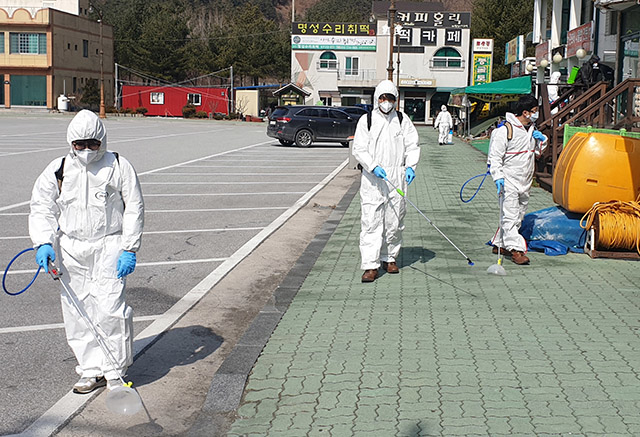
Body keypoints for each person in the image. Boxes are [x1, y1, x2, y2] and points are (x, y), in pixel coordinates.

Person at [29, 110, 144, 394]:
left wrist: (129, 247)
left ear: (102, 140)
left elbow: (134, 207)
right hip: (72, 248)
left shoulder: (118, 166)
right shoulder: (59, 169)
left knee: (110, 308)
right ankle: (90, 369)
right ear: (71, 142)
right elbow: (42, 206)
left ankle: (115, 371)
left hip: (109, 244)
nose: (86, 150)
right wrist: (43, 242)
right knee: (77, 309)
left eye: (93, 144)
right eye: (80, 144)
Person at [352, 80, 420, 283]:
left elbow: (412, 144)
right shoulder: (367, 120)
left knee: (394, 220)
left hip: (397, 176)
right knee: (371, 221)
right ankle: (370, 265)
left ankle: (389, 258)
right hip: (373, 178)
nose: (386, 102)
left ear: (395, 100)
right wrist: (372, 166)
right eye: (382, 98)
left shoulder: (402, 119)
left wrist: (410, 166)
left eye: (390, 98)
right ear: (376, 99)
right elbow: (359, 148)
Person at [488, 95, 547, 265]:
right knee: (510, 214)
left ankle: (499, 243)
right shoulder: (505, 131)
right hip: (509, 179)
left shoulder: (532, 130)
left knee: (519, 215)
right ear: (525, 112)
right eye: (534, 111)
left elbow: (537, 152)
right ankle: (517, 250)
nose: (536, 114)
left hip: (525, 180)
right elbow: (495, 157)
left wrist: (542, 140)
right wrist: (498, 177)